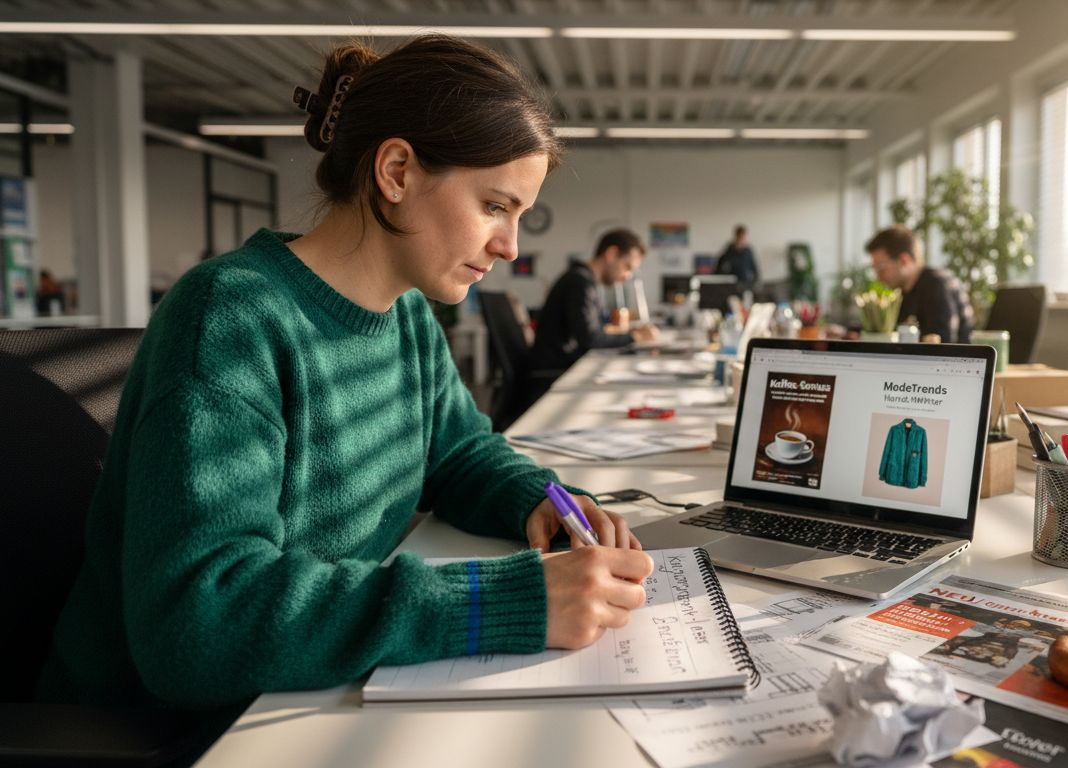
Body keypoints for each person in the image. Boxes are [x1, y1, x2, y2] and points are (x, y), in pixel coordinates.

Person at [40, 35, 653, 713]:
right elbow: (200, 619)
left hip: (307, 685)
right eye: (495, 206)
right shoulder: (230, 317)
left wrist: (541, 499)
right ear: (395, 171)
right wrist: (497, 601)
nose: (510, 245)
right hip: (177, 729)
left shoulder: (408, 316)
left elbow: (458, 453)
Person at [530, 228, 659, 373]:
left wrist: (631, 331)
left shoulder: (584, 280)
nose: (627, 276)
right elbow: (590, 339)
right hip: (556, 372)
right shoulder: (579, 282)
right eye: (627, 267)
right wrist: (635, 336)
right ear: (612, 254)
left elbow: (595, 330)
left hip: (564, 366)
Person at [866, 225, 975, 344]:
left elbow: (942, 344)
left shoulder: (937, 285)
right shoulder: (903, 292)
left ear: (904, 260)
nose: (878, 277)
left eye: (881, 268)